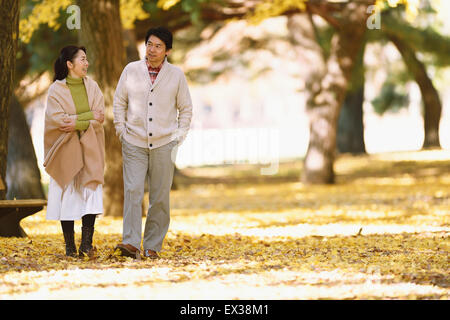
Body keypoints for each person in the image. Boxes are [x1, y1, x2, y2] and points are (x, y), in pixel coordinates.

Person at [113, 27, 193, 259]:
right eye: (149, 44)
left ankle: (152, 245)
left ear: (167, 50)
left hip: (164, 144)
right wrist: (121, 130)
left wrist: (178, 137)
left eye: (158, 46)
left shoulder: (176, 75)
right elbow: (119, 102)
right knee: (133, 190)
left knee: (159, 196)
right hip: (134, 141)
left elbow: (185, 109)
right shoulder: (131, 70)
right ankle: (130, 243)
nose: (152, 49)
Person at [44, 45, 105, 258]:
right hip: (67, 150)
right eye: (82, 60)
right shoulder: (56, 90)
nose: (86, 63)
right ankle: (70, 247)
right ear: (69, 64)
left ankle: (86, 245)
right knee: (68, 196)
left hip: (90, 149)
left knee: (91, 194)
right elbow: (58, 120)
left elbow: (100, 118)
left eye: (86, 59)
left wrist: (77, 121)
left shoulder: (93, 87)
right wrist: (87, 118)